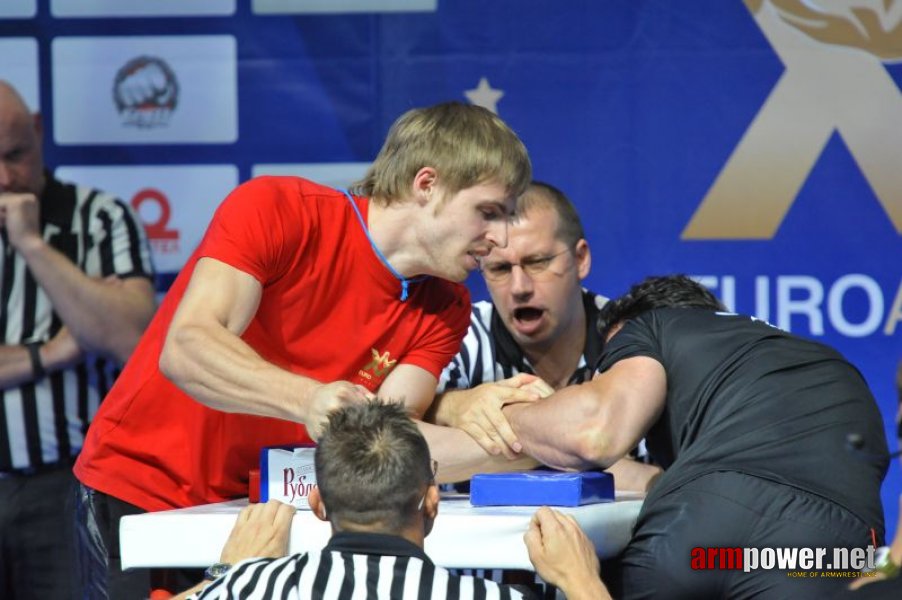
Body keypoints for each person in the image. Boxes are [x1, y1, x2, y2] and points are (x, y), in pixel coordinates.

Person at [74, 101, 537, 598]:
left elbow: (388, 439)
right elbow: (186, 349)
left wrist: (528, 435)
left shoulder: (446, 305)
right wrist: (307, 399)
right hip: (145, 495)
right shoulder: (280, 209)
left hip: (272, 516)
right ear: (427, 185)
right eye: (489, 212)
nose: (501, 239)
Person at [501, 274, 888, 599]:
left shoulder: (651, 327)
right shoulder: (826, 364)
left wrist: (503, 415)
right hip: (826, 553)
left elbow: (595, 436)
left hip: (702, 536)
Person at [174, 401, 608, 600]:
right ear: (432, 502)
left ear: (319, 504)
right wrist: (582, 582)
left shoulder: (254, 586)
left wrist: (226, 575)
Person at [0, 81, 155, 599]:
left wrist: (31, 243)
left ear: (40, 131)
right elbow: (94, 334)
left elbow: (132, 339)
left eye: (16, 155)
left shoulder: (101, 219)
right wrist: (57, 350)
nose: (5, 179)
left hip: (68, 485)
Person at [429, 181, 659, 491]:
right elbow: (387, 441)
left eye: (537, 262)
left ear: (580, 259)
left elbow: (675, 482)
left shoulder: (637, 340)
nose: (520, 287)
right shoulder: (454, 338)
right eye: (499, 268)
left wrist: (514, 435)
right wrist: (451, 405)